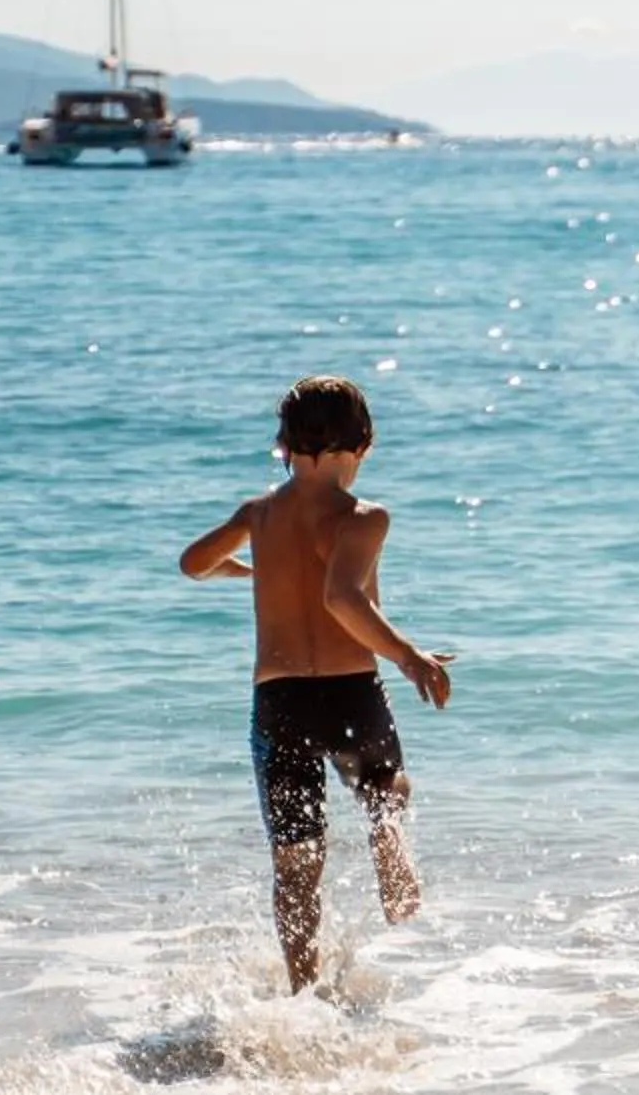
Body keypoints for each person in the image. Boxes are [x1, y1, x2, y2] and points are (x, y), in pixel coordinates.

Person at [180, 376, 452, 992]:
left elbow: (192, 564)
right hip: (352, 693)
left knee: (297, 864)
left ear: (284, 447)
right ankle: (399, 891)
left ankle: (302, 993)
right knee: (387, 798)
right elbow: (342, 598)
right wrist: (408, 657)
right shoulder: (364, 517)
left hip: (279, 706)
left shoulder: (259, 514)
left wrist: (252, 569)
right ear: (363, 445)